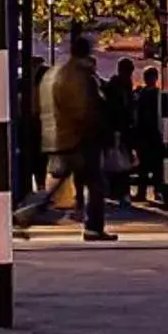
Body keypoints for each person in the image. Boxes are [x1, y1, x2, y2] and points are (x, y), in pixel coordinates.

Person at [23, 30, 111, 238]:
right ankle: (93, 227)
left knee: (61, 182)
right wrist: (97, 130)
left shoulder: (56, 73)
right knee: (96, 183)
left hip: (59, 136)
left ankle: (27, 211)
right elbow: (84, 108)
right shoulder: (78, 76)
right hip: (78, 137)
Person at [133, 64, 168, 209]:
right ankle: (156, 191)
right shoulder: (158, 94)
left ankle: (145, 192)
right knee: (154, 166)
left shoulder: (143, 94)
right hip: (153, 135)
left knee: (146, 165)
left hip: (147, 135)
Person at [103, 56, 140, 206]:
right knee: (120, 163)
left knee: (118, 162)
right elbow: (120, 109)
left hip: (121, 130)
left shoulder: (120, 85)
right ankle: (120, 191)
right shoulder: (119, 86)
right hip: (120, 130)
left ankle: (117, 191)